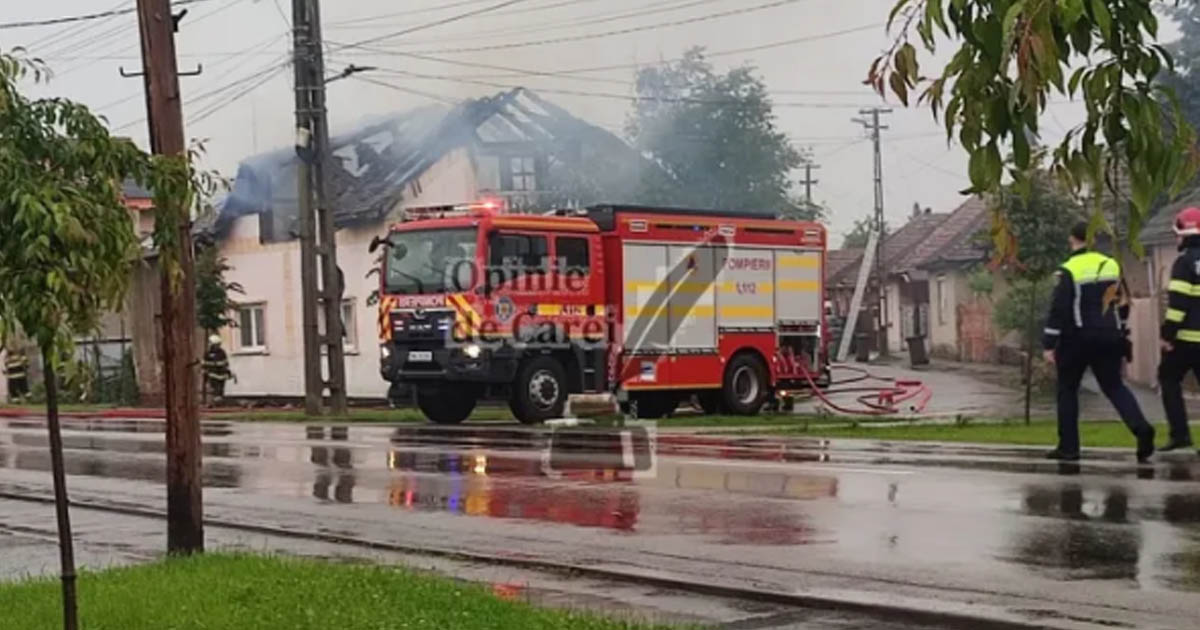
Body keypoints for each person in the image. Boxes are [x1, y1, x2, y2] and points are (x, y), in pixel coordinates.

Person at [1042, 222, 1155, 463]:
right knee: (1114, 386)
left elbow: (1059, 309)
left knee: (1067, 390)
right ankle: (1141, 428)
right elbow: (1123, 302)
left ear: (1073, 240)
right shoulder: (1111, 265)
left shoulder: (1068, 269)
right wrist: (1122, 331)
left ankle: (1069, 448)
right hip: (1109, 336)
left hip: (1077, 339)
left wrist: (1049, 344)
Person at [1158, 206, 1200, 454]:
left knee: (1168, 379)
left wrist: (1167, 335)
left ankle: (1180, 434)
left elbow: (1178, 305)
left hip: (1186, 340)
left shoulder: (1184, 264)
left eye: (1177, 234)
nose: (1176, 239)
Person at [202, 335, 232, 404]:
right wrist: (204, 369)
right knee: (214, 388)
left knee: (220, 389)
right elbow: (204, 363)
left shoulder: (222, 352)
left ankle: (218, 401)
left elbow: (224, 363)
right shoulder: (208, 353)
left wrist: (228, 372)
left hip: (221, 373)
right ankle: (215, 401)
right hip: (212, 373)